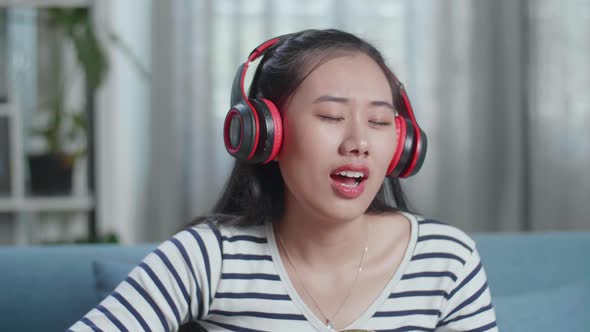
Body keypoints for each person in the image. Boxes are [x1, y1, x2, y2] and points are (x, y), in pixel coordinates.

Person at [69, 29, 498, 332]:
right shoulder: (207, 259)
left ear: (403, 144)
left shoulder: (445, 260)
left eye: (381, 121)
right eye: (331, 117)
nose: (359, 141)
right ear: (263, 133)